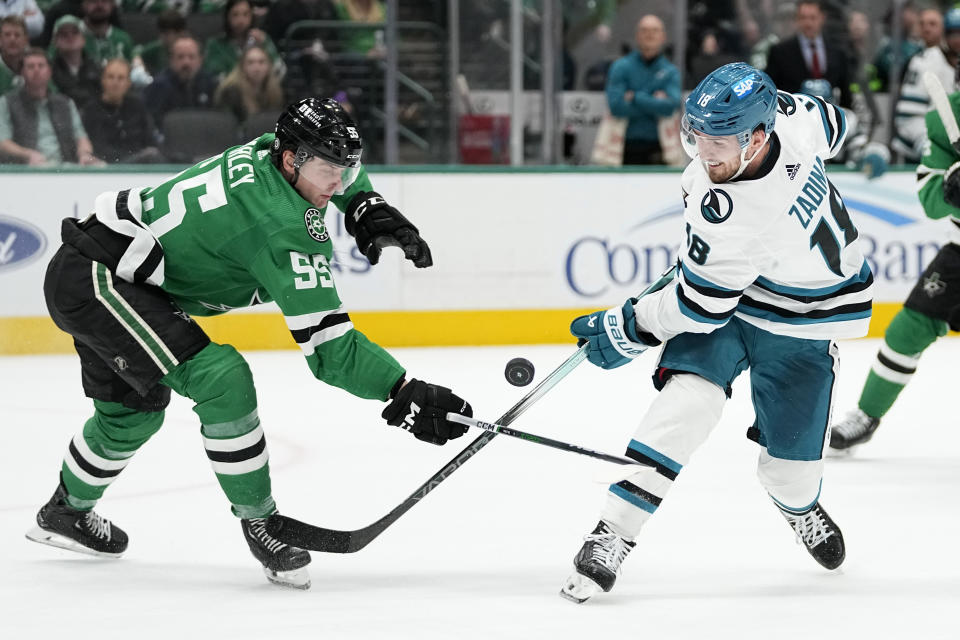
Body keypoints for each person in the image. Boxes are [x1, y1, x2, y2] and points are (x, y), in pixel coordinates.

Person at [25, 97, 474, 590]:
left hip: (95, 270)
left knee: (134, 411)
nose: (339, 182)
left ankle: (64, 513)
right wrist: (402, 391)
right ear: (291, 160)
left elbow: (339, 168)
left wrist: (363, 203)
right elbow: (330, 352)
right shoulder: (281, 227)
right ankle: (261, 521)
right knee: (221, 378)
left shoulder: (270, 149)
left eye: (345, 170)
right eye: (330, 171)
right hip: (102, 282)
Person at [559, 62, 872, 604]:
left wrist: (629, 326)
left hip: (805, 319)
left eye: (720, 141)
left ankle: (799, 506)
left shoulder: (736, 214)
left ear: (757, 136)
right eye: (698, 135)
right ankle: (614, 530)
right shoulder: (791, 117)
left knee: (788, 476)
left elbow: (697, 307)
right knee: (686, 405)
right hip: (744, 292)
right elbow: (834, 120)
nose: (705, 153)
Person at [829, 70, 960, 453]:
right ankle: (867, 416)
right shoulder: (947, 117)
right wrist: (953, 185)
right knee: (908, 329)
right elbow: (930, 198)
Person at [0, 47, 101, 165]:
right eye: (31, 66)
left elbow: (81, 137)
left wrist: (85, 154)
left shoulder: (66, 103)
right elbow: (2, 142)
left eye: (41, 66)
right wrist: (27, 154)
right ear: (22, 72)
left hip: (64, 168)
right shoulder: (7, 102)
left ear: (49, 71)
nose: (36, 70)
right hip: (25, 171)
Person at [604, 14, 681, 165]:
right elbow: (616, 106)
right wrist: (654, 101)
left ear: (663, 36)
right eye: (644, 30)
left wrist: (635, 97)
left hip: (660, 149)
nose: (649, 34)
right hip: (624, 150)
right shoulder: (621, 67)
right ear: (637, 35)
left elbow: (670, 106)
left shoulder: (670, 71)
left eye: (655, 30)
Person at [893, 7, 960, 163]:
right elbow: (908, 119)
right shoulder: (924, 62)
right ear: (944, 35)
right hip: (921, 155)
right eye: (952, 34)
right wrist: (929, 146)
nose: (957, 40)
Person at [764, 0, 852, 108]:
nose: (808, 23)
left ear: (822, 18)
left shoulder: (838, 52)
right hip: (793, 118)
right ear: (797, 19)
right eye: (803, 18)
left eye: (813, 18)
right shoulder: (779, 52)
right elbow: (770, 90)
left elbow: (845, 95)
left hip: (830, 117)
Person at [80, 58, 161, 163]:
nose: (115, 82)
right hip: (110, 168)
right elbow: (98, 148)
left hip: (141, 166)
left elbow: (151, 139)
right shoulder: (91, 111)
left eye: (121, 78)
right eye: (110, 77)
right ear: (102, 80)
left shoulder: (137, 106)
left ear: (128, 83)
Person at [143, 35, 217, 126]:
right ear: (171, 60)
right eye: (180, 57)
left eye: (191, 57)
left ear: (200, 60)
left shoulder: (209, 83)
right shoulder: (159, 86)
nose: (186, 62)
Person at [203, 0, 281, 83]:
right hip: (229, 92)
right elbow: (213, 77)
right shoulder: (216, 45)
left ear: (252, 16)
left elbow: (280, 71)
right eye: (235, 15)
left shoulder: (262, 39)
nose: (241, 20)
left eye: (246, 14)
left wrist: (265, 45)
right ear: (227, 17)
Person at [214, 43, 283, 123]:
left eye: (261, 62)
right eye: (250, 62)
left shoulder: (275, 91)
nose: (256, 68)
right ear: (242, 67)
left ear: (269, 66)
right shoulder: (231, 92)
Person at [49, 15, 100, 110]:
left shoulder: (97, 67)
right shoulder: (49, 70)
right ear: (55, 41)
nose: (70, 37)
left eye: (75, 32)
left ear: (84, 39)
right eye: (64, 34)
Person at [80, 0, 133, 65]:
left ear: (112, 5)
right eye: (93, 1)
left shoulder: (123, 39)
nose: (99, 5)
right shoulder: (72, 36)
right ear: (84, 4)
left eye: (105, 1)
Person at [0, 15, 28, 94]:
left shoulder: (36, 67)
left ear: (26, 40)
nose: (12, 39)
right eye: (7, 35)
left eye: (17, 35)